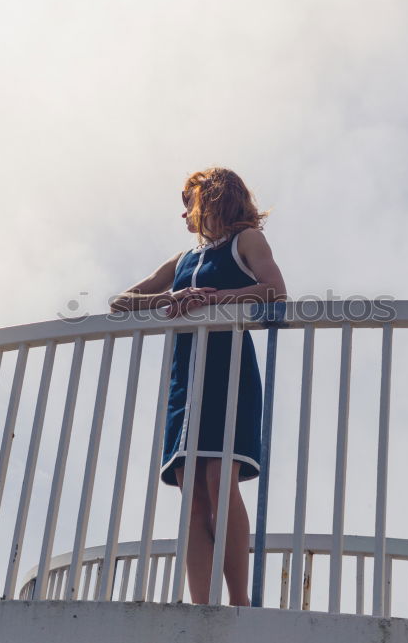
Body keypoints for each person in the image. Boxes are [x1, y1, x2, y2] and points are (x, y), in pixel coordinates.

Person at [109, 167, 286, 606]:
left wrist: (213, 299)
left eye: (188, 201)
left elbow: (276, 292)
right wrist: (165, 300)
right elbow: (121, 302)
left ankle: (240, 602)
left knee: (219, 479)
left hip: (229, 370)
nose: (183, 213)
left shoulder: (246, 241)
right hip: (184, 381)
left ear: (210, 198)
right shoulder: (183, 259)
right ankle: (201, 608)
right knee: (191, 490)